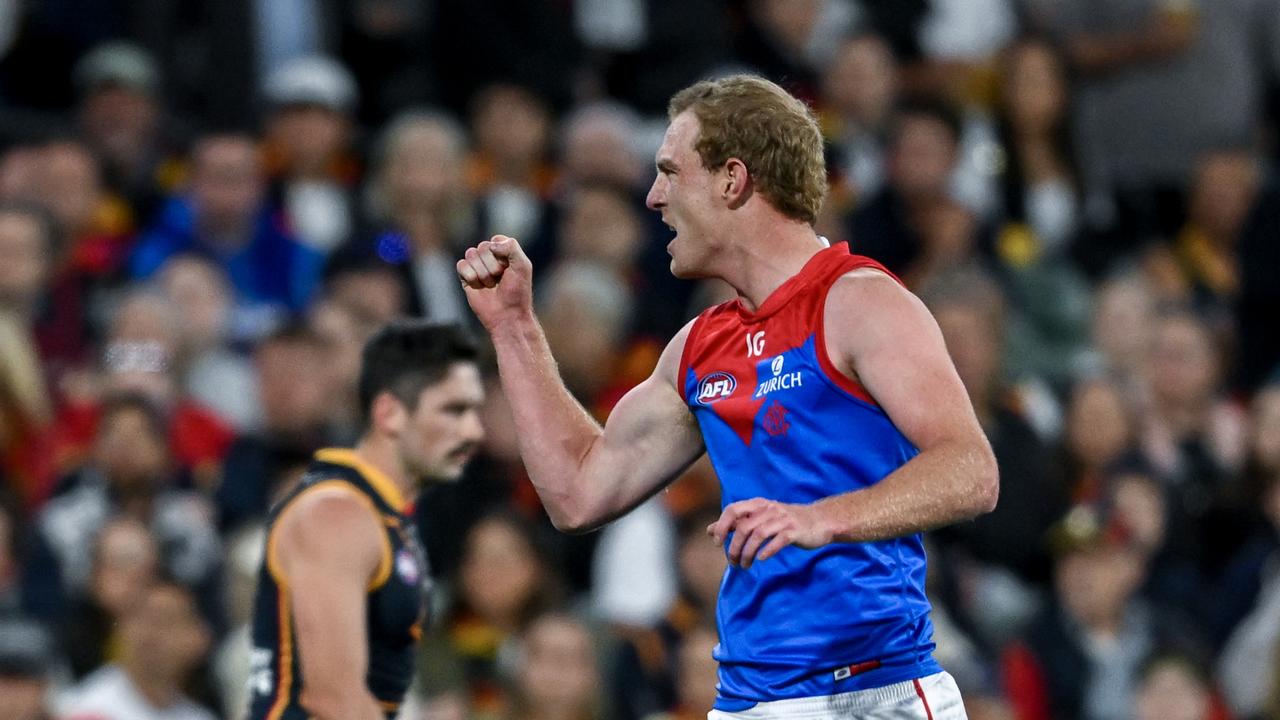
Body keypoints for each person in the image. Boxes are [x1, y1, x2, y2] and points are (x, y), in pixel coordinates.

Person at [457, 74, 998, 718]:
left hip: (869, 693)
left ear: (732, 179)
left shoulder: (859, 302)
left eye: (669, 172)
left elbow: (971, 471)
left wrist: (818, 517)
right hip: (745, 700)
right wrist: (515, 328)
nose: (653, 197)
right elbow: (577, 494)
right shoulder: (696, 348)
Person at [244, 321, 485, 720]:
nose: (471, 431)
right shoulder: (336, 511)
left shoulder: (379, 510)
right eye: (451, 410)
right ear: (390, 414)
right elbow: (333, 699)